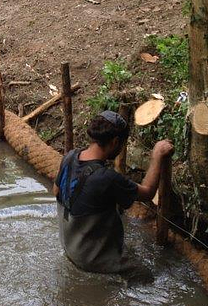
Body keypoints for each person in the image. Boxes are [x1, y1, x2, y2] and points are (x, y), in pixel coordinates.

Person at [53, 110, 173, 276]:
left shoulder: (70, 156)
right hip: (90, 260)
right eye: (122, 144)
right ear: (115, 141)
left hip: (69, 247)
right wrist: (157, 155)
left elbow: (56, 191)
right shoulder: (107, 178)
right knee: (145, 275)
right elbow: (147, 193)